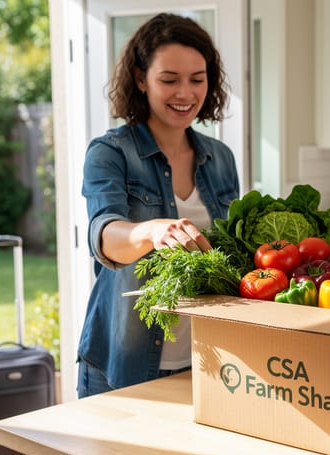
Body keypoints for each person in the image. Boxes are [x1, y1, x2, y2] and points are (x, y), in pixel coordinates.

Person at [77, 13, 240, 398]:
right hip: (123, 363)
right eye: (169, 80)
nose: (185, 93)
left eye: (197, 79)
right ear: (140, 79)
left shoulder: (220, 157)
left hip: (204, 360)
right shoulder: (111, 152)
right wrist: (150, 230)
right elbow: (104, 234)